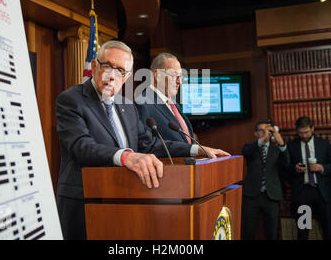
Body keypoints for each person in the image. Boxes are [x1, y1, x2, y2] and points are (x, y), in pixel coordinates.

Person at [55, 40, 230, 239]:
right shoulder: (71, 100)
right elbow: (81, 146)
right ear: (95, 66)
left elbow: (150, 145)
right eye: (107, 66)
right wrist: (126, 157)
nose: (112, 75)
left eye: (120, 70)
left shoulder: (127, 107)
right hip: (83, 204)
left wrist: (196, 150)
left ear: (127, 77)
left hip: (124, 201)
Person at [287, 116, 331, 240]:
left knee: (327, 229)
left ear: (313, 129)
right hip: (302, 192)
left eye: (306, 132)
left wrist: (321, 168)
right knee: (303, 230)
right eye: (300, 133)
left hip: (321, 192)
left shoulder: (323, 144)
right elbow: (284, 167)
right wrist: (295, 168)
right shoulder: (291, 145)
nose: (304, 136)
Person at [241, 120, 290, 240]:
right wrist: (261, 141)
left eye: (267, 131)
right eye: (261, 131)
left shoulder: (276, 150)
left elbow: (287, 164)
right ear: (256, 133)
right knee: (248, 231)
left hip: (271, 196)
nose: (265, 133)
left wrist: (281, 143)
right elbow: (246, 153)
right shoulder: (249, 147)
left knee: (272, 232)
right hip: (252, 196)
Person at [135, 52, 194, 144]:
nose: (179, 81)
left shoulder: (173, 104)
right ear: (157, 74)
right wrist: (192, 150)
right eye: (174, 75)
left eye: (180, 76)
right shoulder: (142, 103)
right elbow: (146, 145)